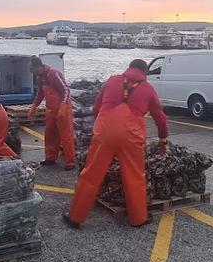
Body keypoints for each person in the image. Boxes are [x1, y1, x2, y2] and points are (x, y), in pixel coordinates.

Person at [64, 59, 169, 228]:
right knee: (135, 177)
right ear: (145, 73)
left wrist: (104, 126)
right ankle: (138, 218)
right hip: (130, 136)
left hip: (104, 132)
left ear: (129, 68)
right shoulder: (149, 89)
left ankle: (75, 217)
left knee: (90, 174)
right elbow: (160, 119)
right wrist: (163, 139)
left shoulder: (112, 80)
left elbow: (97, 107)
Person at [28, 56, 76, 170]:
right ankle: (50, 157)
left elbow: (66, 90)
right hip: (51, 110)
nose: (30, 71)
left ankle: (70, 161)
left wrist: (63, 106)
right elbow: (40, 93)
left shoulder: (53, 73)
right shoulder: (39, 77)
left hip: (62, 109)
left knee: (66, 135)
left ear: (37, 66)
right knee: (50, 134)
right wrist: (34, 106)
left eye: (31, 68)